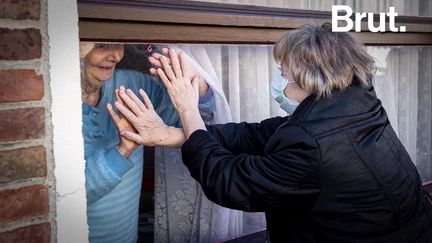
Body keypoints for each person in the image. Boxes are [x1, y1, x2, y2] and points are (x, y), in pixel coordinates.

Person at [115, 23, 432, 242]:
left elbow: (229, 181)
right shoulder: (356, 102)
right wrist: (173, 134)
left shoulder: (313, 143)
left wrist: (187, 109)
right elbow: (255, 135)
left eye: (284, 71)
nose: (279, 75)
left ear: (310, 78)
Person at [80, 42, 214, 243]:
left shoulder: (131, 85)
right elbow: (62, 197)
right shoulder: (49, 104)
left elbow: (196, 124)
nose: (115, 55)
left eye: (118, 43)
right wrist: (123, 150)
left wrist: (196, 85)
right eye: (102, 45)